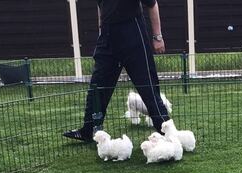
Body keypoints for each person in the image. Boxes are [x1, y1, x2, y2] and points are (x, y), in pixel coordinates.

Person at [63, 0, 170, 142]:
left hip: (133, 35)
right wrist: (101, 31)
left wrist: (157, 37)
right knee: (97, 86)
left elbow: (152, 4)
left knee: (148, 87)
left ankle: (167, 132)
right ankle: (88, 130)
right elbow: (101, 7)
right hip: (107, 36)